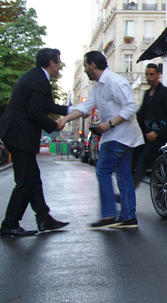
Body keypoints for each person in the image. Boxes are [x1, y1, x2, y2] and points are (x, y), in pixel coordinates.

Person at [58, 51, 144, 228]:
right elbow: (84, 107)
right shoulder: (98, 86)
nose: (85, 70)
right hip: (122, 136)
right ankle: (128, 217)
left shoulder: (115, 82)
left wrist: (108, 124)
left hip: (118, 135)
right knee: (123, 175)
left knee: (103, 170)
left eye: (85, 66)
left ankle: (109, 216)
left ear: (93, 65)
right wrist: (64, 119)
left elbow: (131, 107)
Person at [0, 48, 71, 238]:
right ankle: (9, 224)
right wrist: (54, 125)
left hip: (16, 134)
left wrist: (70, 109)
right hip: (19, 136)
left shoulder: (36, 77)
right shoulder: (40, 81)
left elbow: (46, 105)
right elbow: (35, 112)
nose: (60, 66)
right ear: (51, 63)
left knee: (33, 179)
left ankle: (44, 218)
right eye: (59, 62)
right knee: (24, 183)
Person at [133, 63, 167, 188]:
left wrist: (157, 132)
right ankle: (128, 195)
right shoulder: (147, 93)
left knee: (145, 167)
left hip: (159, 140)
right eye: (147, 74)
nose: (149, 77)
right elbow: (142, 114)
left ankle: (128, 195)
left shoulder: (165, 92)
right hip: (146, 138)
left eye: (151, 74)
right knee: (142, 166)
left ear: (158, 75)